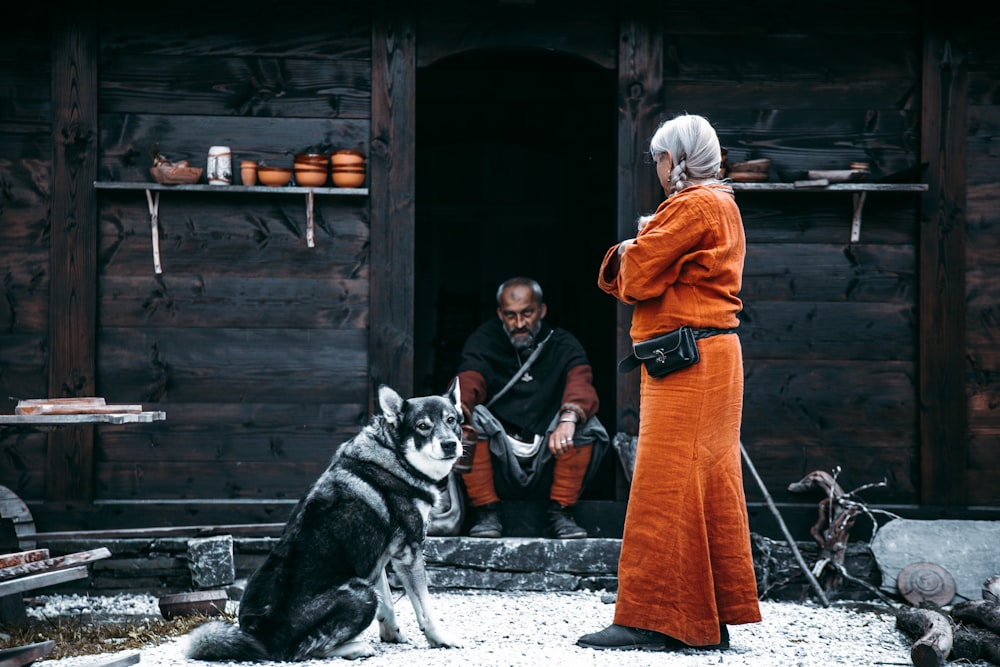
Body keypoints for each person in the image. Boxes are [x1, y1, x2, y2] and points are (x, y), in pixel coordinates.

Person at [578, 113, 761, 651]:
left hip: (691, 365)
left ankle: (653, 619)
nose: (657, 166)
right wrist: (643, 245)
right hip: (707, 358)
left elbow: (633, 277)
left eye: (660, 156)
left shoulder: (692, 205)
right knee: (704, 487)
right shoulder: (720, 203)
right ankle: (706, 619)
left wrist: (629, 247)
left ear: (675, 159)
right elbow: (651, 266)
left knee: (664, 489)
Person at [454, 277, 609, 539]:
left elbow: (580, 384)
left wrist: (568, 419)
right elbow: (469, 381)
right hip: (500, 457)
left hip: (548, 456)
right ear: (500, 314)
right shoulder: (484, 341)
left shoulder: (563, 344)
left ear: (542, 310)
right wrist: (458, 412)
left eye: (527, 313)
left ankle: (561, 513)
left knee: (588, 425)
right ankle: (486, 512)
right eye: (510, 315)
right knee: (470, 418)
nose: (519, 323)